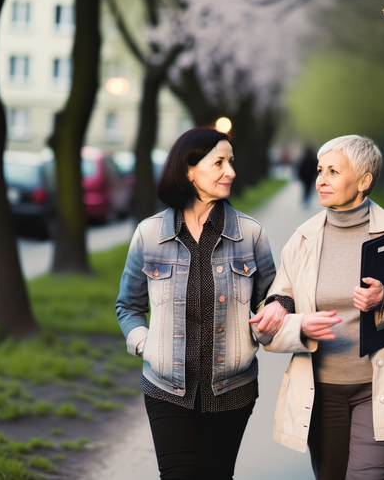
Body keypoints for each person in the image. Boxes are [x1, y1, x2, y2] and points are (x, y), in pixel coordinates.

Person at [262, 134, 384, 480]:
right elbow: (277, 310)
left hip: (380, 387)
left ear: (364, 181)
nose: (321, 179)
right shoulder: (302, 239)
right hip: (320, 392)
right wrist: (290, 319)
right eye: (320, 170)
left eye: (334, 171)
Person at [115, 127, 290, 479]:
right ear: (189, 170)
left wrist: (281, 304)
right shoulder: (149, 234)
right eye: (220, 162)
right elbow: (128, 306)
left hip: (232, 390)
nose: (231, 171)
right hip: (165, 388)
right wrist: (145, 345)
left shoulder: (251, 234)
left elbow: (272, 297)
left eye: (232, 162)